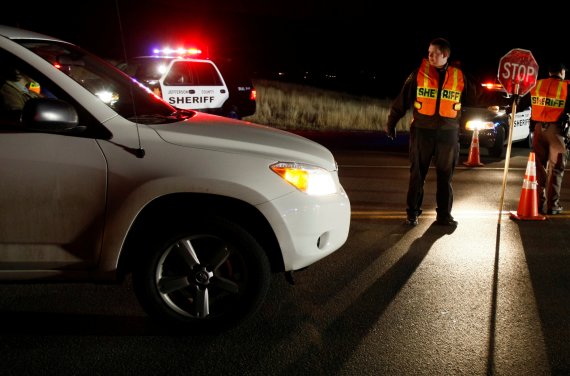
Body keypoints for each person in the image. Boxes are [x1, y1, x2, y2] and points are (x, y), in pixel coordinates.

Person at [385, 37, 486, 226]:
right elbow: (402, 101)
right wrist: (391, 123)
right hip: (422, 132)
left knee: (445, 176)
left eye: (434, 53)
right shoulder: (418, 74)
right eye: (428, 52)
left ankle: (444, 216)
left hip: (448, 134)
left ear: (445, 55)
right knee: (417, 175)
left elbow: (479, 96)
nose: (429, 56)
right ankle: (412, 213)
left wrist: (507, 97)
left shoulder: (459, 76)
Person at [519, 62, 570, 215]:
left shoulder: (537, 85)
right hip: (557, 131)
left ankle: (538, 203)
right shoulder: (566, 86)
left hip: (538, 130)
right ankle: (552, 206)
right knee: (556, 168)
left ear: (549, 72)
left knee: (538, 167)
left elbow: (522, 104)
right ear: (562, 72)